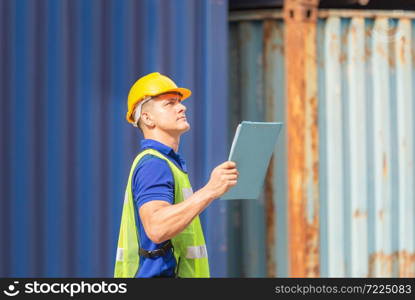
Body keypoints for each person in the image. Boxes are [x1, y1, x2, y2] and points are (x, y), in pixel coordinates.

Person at [114, 72, 238, 278]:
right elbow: (157, 227)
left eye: (179, 102)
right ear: (147, 118)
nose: (182, 107)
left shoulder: (167, 163)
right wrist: (210, 190)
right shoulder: (154, 165)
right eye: (170, 103)